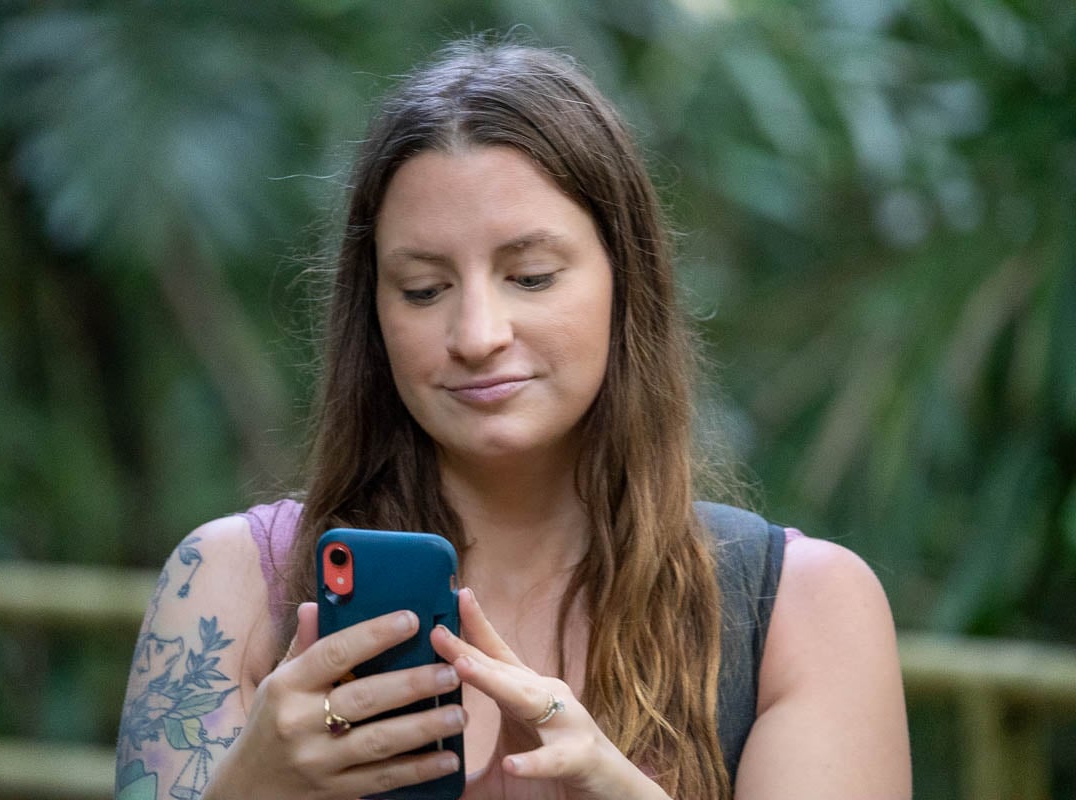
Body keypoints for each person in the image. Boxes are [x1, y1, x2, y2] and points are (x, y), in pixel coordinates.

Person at [114, 39, 912, 800]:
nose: (477, 335)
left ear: (624, 281)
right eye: (424, 290)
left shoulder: (801, 613)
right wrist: (256, 785)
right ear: (375, 316)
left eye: (530, 276)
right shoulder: (231, 590)